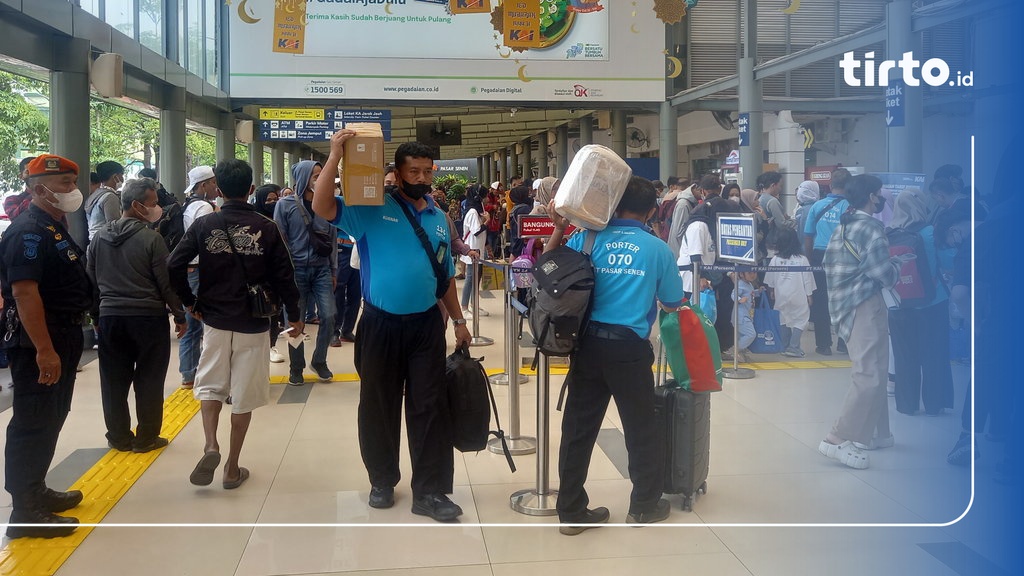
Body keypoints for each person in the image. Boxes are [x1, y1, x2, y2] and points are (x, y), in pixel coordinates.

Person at [312, 129, 472, 522]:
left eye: (427, 172)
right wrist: (334, 156)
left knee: (430, 407)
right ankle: (382, 480)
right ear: (397, 175)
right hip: (380, 325)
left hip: (425, 327)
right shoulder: (371, 208)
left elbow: (445, 276)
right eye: (413, 171)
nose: (421, 178)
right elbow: (321, 206)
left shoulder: (438, 217)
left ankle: (430, 492)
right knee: (378, 406)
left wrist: (459, 319)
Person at [544, 176, 684, 534]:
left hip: (586, 346)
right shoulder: (658, 249)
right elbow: (672, 302)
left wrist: (560, 229)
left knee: (578, 430)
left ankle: (572, 511)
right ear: (653, 211)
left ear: (614, 205)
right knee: (640, 428)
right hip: (629, 350)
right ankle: (643, 507)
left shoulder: (587, 239)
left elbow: (547, 269)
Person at [168, 159, 302, 490]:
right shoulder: (267, 227)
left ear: (218, 190)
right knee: (244, 394)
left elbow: (174, 264)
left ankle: (211, 443)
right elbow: (285, 276)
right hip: (254, 323)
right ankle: (231, 467)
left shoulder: (204, 225)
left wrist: (190, 303)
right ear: (251, 190)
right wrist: (295, 316)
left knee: (211, 384)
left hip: (214, 319)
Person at [0, 154, 92, 538]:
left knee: (52, 416)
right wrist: (44, 350)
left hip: (64, 334)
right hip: (41, 339)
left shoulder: (53, 225)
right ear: (38, 189)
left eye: (73, 182)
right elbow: (24, 294)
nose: (73, 190)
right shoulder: (29, 232)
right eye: (64, 185)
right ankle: (25, 510)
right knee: (33, 422)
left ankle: (37, 491)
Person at [86, 177, 187, 453]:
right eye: (153, 204)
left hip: (110, 318)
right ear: (136, 205)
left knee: (113, 381)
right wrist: (180, 315)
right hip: (148, 319)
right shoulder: (151, 239)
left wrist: (96, 316)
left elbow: (91, 282)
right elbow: (166, 283)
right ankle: (146, 438)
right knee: (150, 380)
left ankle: (118, 437)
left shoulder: (99, 240)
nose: (157, 209)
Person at [819, 174, 903, 469]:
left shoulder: (844, 224)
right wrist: (897, 266)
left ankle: (877, 433)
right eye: (880, 194)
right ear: (871, 197)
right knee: (869, 373)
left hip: (843, 303)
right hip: (864, 303)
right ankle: (837, 439)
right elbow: (883, 273)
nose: (882, 199)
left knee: (877, 368)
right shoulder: (871, 228)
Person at [886, 186, 953, 416]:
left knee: (904, 356)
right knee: (935, 355)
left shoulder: (889, 234)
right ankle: (935, 403)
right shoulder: (929, 232)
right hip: (932, 303)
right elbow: (948, 261)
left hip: (898, 305)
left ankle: (906, 405)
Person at [274, 160, 338, 385]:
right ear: (302, 177)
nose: (319, 179)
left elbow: (331, 239)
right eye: (315, 175)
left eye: (321, 174)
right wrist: (283, 273)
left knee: (329, 315)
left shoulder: (328, 203)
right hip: (295, 270)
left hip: (321, 269)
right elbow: (279, 239)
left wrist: (333, 269)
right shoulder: (284, 205)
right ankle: (296, 367)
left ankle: (319, 360)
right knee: (295, 322)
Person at [177, 166, 219, 389]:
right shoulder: (203, 207)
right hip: (199, 270)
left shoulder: (188, 205)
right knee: (198, 324)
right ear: (203, 185)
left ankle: (188, 372)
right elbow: (208, 242)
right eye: (213, 183)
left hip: (189, 269)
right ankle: (192, 372)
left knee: (191, 322)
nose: (215, 187)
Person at [805, 168, 851, 356]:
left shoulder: (817, 206)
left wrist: (809, 259)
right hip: (844, 257)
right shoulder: (851, 207)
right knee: (844, 301)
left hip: (819, 255)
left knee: (821, 301)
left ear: (830, 185)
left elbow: (808, 235)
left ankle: (823, 344)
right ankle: (843, 342)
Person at [764, 227, 816, 357]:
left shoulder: (775, 260)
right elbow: (807, 279)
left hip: (781, 294)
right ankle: (794, 347)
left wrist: (772, 291)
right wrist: (809, 295)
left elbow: (770, 279)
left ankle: (784, 345)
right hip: (798, 294)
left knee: (783, 318)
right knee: (801, 319)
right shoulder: (802, 259)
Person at [253, 183, 287, 363]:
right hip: (256, 279)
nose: (273, 203)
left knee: (273, 312)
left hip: (274, 278)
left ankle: (271, 346)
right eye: (268, 200)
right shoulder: (254, 221)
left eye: (275, 199)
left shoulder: (278, 222)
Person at [461, 184, 490, 318]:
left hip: (479, 248)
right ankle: (465, 307)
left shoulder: (476, 211)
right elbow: (477, 231)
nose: (487, 199)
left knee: (476, 278)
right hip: (472, 249)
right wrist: (487, 221)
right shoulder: (472, 212)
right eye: (484, 196)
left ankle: (474, 305)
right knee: (470, 278)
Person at [84, 160, 125, 241]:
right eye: (122, 175)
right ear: (115, 176)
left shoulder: (95, 194)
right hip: (105, 242)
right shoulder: (110, 197)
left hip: (94, 240)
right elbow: (114, 226)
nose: (122, 179)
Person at [666, 182, 700, 260]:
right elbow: (679, 232)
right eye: (701, 191)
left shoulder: (690, 202)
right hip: (679, 251)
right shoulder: (683, 205)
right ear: (696, 189)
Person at [731, 271, 759, 362]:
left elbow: (750, 294)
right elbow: (733, 294)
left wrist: (758, 291)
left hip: (747, 315)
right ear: (742, 274)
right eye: (749, 273)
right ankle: (735, 349)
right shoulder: (740, 284)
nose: (753, 275)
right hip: (741, 317)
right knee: (751, 334)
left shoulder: (749, 284)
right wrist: (739, 299)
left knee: (741, 336)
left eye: (754, 272)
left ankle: (739, 353)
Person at [793, 180, 820, 248]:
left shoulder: (801, 210)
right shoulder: (819, 207)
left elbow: (801, 232)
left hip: (805, 247)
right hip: (818, 245)